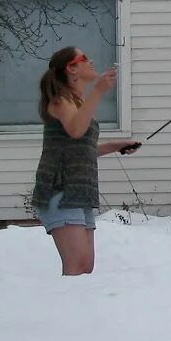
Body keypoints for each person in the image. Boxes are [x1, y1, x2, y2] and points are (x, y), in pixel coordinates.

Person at [31, 47, 141, 276]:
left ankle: (76, 311)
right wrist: (99, 91)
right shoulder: (61, 101)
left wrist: (116, 146)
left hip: (79, 192)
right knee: (76, 267)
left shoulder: (78, 103)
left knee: (85, 268)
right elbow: (76, 131)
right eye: (84, 58)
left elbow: (80, 149)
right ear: (71, 68)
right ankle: (64, 311)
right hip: (60, 190)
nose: (91, 61)